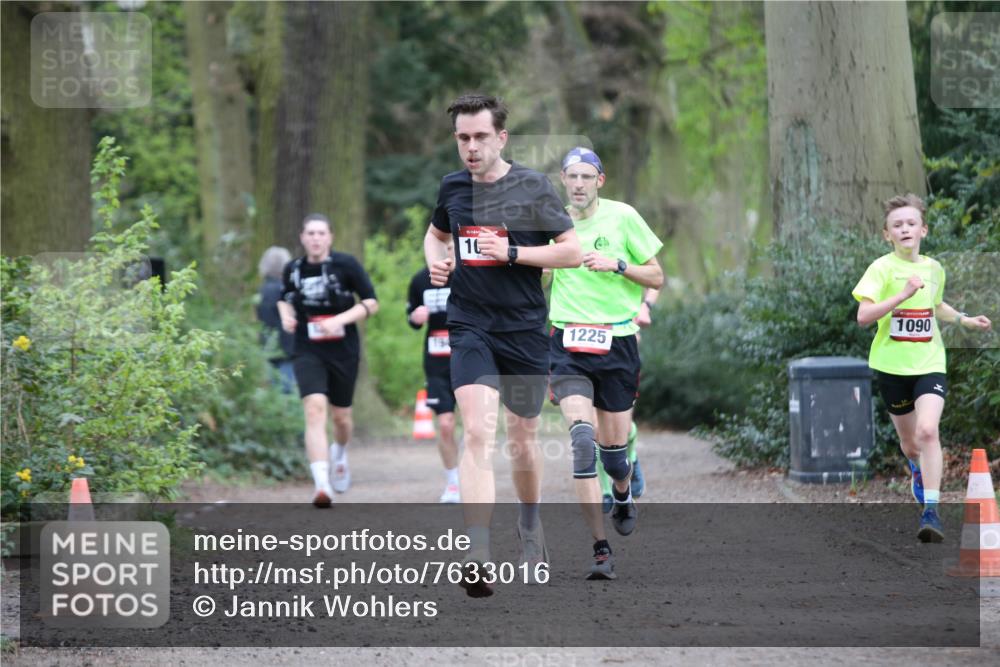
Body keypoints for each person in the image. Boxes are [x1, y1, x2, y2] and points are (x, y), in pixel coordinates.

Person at [425, 94, 582, 597]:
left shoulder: (533, 186)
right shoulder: (452, 187)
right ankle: (477, 551)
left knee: (522, 438)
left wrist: (512, 251)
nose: (470, 148)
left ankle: (530, 524)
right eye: (462, 139)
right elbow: (434, 234)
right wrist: (438, 259)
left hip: (523, 329)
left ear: (501, 138)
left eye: (479, 138)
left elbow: (572, 252)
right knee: (477, 432)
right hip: (470, 322)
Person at [550, 147, 664, 579]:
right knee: (582, 440)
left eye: (586, 176)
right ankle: (600, 549)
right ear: (563, 180)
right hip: (567, 342)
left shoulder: (623, 217)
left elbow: (656, 276)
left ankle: (622, 492)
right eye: (571, 176)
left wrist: (618, 265)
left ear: (600, 180)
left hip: (616, 342)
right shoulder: (554, 223)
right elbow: (538, 273)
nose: (578, 184)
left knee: (615, 456)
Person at [852, 193, 991, 541]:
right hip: (891, 367)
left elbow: (937, 305)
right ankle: (915, 467)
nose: (904, 229)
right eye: (897, 225)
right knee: (911, 443)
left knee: (928, 431)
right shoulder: (881, 269)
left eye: (910, 223)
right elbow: (863, 317)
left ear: (923, 230)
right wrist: (901, 295)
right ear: (888, 235)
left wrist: (963, 319)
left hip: (929, 362)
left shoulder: (933, 268)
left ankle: (931, 510)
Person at [278, 214, 379, 507]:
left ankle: (340, 453)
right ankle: (322, 485)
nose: (315, 238)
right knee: (314, 408)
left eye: (321, 233)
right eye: (310, 233)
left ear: (330, 237)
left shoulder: (345, 265)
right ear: (302, 237)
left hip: (343, 348)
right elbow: (285, 297)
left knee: (341, 417)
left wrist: (340, 320)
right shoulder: (293, 269)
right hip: (307, 348)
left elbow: (371, 302)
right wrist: (286, 315)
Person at [595, 286, 660, 513]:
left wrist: (645, 307)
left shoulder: (626, 251)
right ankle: (605, 491)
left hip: (622, 346)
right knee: (595, 428)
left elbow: (654, 279)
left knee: (622, 427)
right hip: (583, 346)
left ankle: (630, 456)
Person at [406, 248, 461, 503]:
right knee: (446, 424)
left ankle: (476, 479)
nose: (447, 253)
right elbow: (413, 318)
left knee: (476, 428)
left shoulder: (469, 277)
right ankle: (453, 483)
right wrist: (415, 317)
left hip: (468, 359)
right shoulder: (420, 280)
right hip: (436, 362)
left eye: (452, 247)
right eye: (443, 248)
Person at [256, 246, 296, 394]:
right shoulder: (285, 290)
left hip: (268, 346)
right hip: (288, 350)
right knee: (287, 392)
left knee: (273, 392)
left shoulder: (262, 290)